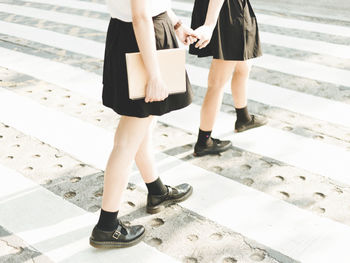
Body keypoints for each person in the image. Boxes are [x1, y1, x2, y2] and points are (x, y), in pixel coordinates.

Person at [89, 0, 197, 248]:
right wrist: (154, 75)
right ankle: (107, 226)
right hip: (142, 38)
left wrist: (177, 24)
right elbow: (139, 15)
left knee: (141, 126)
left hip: (130, 34)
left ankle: (156, 190)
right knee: (128, 139)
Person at [189, 0, 267, 157]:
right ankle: (204, 140)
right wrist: (210, 24)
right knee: (217, 82)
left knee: (244, 64)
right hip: (227, 11)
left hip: (227, 9)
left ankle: (243, 117)